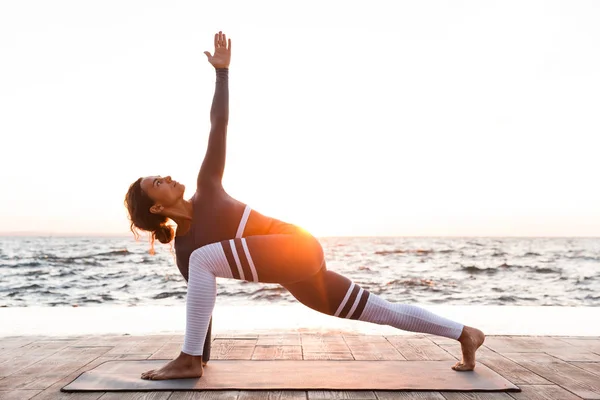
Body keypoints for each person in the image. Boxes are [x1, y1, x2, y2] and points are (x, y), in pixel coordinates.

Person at [124, 31, 485, 381]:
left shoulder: (208, 189)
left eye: (161, 175)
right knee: (380, 310)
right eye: (158, 183)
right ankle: (465, 334)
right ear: (156, 209)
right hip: (301, 277)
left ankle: (187, 360)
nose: (167, 177)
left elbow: (219, 123)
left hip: (297, 245)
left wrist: (222, 72)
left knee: (205, 259)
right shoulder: (186, 251)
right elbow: (202, 305)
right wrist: (202, 353)